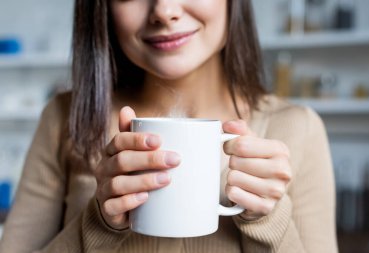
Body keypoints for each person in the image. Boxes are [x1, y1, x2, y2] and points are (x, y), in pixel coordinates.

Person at [0, 0, 338, 252]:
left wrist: (267, 220)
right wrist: (98, 223)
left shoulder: (299, 129)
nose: (164, 10)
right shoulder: (65, 117)